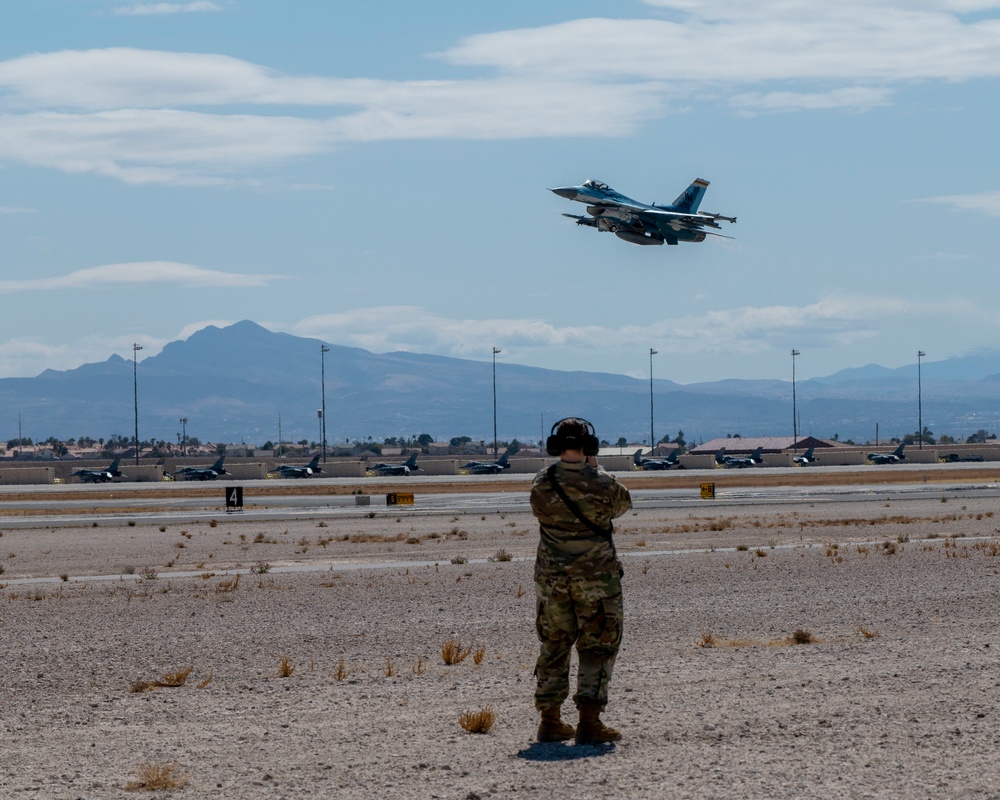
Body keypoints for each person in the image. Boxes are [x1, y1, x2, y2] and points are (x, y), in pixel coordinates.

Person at [530, 417, 633, 745]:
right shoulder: (603, 483)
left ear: (555, 446)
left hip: (553, 581)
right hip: (596, 582)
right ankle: (590, 722)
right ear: (589, 445)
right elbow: (623, 505)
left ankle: (550, 721)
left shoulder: (541, 484)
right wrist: (594, 466)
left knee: (554, 645)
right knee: (597, 647)